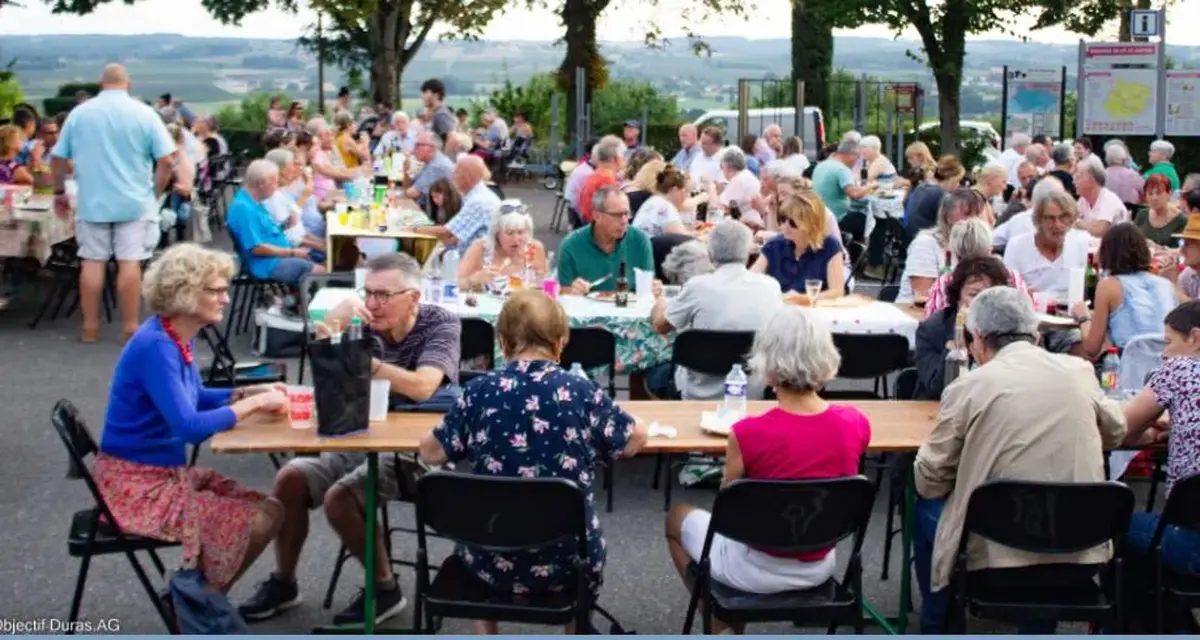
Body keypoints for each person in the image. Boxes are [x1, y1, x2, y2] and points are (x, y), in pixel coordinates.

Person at [239, 253, 460, 626]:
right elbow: (326, 383)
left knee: (339, 499)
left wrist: (361, 361)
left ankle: (385, 588)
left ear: (414, 298)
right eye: (368, 293)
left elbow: (423, 387)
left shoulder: (439, 322)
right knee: (289, 480)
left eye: (383, 295)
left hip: (417, 449)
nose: (373, 303)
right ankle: (284, 583)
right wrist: (329, 327)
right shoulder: (360, 324)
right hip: (360, 434)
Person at [418, 289, 647, 634]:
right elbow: (632, 440)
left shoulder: (479, 391)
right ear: (561, 341)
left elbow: (431, 453)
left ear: (502, 341)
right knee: (580, 546)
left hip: (488, 560)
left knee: (477, 528)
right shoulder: (580, 391)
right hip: (569, 561)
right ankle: (576, 627)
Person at [912, 286, 1128, 634]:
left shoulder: (968, 387)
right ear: (1036, 334)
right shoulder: (1079, 372)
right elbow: (1116, 432)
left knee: (925, 507)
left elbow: (930, 479)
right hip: (1079, 555)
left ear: (978, 340)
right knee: (1046, 524)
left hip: (994, 563)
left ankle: (937, 625)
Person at [93, 243, 287, 593]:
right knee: (259, 520)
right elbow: (190, 428)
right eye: (216, 291)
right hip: (137, 487)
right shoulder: (158, 346)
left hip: (156, 475)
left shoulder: (172, 335)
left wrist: (246, 393)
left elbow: (193, 396)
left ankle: (199, 598)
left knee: (273, 510)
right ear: (186, 294)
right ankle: (199, 603)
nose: (226, 299)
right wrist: (255, 404)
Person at [664, 305, 870, 632]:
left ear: (768, 367)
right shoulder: (856, 423)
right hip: (819, 564)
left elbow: (728, 515)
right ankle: (724, 619)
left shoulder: (747, 433)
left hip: (754, 568)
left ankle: (717, 617)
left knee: (676, 517)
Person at [51, 63, 175, 344]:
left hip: (92, 200)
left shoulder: (79, 114)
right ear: (128, 84)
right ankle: (130, 326)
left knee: (92, 261)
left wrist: (59, 191)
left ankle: (90, 328)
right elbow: (167, 161)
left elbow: (58, 157)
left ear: (100, 83)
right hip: (134, 201)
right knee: (129, 262)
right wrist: (154, 193)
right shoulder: (145, 113)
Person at [646, 221, 783, 399]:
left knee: (652, 371)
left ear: (710, 254)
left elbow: (660, 326)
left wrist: (660, 300)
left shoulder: (697, 286)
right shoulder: (770, 286)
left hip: (696, 392)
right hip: (752, 391)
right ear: (748, 252)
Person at [1122, 300, 1200, 576]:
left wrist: (1150, 434)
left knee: (1108, 521)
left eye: (1168, 342)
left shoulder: (1181, 369)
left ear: (1195, 338)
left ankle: (1134, 604)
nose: (1164, 354)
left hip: (1192, 543)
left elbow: (1122, 427)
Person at [1073, 223, 1181, 357]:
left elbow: (1091, 348)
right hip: (1169, 364)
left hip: (1133, 364)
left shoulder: (1108, 286)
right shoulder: (1166, 285)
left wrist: (1083, 318)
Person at [913, 256, 1011, 399]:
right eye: (974, 295)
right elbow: (937, 388)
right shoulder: (932, 330)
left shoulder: (1010, 328)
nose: (981, 303)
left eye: (990, 296)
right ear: (958, 297)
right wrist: (958, 337)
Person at [225, 159, 323, 285]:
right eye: (274, 183)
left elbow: (265, 232)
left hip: (279, 254)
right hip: (268, 264)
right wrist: (292, 253)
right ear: (262, 183)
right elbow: (257, 248)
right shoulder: (243, 208)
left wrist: (285, 225)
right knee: (322, 273)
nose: (276, 187)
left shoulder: (252, 201)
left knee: (325, 261)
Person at [897, 188, 992, 304]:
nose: (973, 221)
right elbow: (922, 296)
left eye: (978, 215)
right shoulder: (926, 243)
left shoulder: (979, 246)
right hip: (919, 311)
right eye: (968, 215)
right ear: (948, 217)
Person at [557, 185, 655, 296]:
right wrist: (571, 290)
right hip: (586, 306)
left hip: (629, 305)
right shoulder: (571, 245)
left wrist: (654, 289)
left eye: (627, 213)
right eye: (617, 215)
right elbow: (560, 292)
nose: (624, 221)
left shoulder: (640, 241)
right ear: (597, 216)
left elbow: (648, 288)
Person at [923, 218, 1029, 317]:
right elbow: (1029, 314)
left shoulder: (946, 281)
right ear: (990, 249)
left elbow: (931, 318)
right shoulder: (1012, 277)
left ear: (955, 252)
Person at [751, 187, 845, 297]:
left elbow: (837, 291)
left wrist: (800, 299)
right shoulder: (773, 245)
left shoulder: (830, 246)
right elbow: (751, 279)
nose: (785, 226)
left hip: (813, 307)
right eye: (783, 219)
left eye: (793, 222)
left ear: (810, 224)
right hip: (779, 306)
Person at [412, 155, 499, 248]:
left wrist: (414, 229)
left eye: (456, 173)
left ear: (468, 176)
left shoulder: (478, 201)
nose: (453, 177)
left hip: (473, 255)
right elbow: (460, 233)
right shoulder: (477, 195)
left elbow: (446, 232)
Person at [456, 204, 547, 290]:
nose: (516, 239)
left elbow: (546, 287)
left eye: (520, 232)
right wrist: (474, 279)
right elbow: (454, 285)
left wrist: (543, 286)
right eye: (509, 233)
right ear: (497, 233)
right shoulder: (481, 248)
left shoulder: (534, 249)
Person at [631, 164, 692, 238]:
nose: (687, 196)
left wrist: (690, 229)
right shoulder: (665, 207)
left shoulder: (653, 201)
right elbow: (682, 238)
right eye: (685, 192)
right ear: (675, 190)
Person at [1134, 173, 1187, 248]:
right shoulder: (1142, 215)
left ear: (1169, 194)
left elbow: (1181, 249)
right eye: (1150, 193)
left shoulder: (1181, 220)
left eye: (1159, 193)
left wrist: (1156, 247)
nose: (1154, 198)